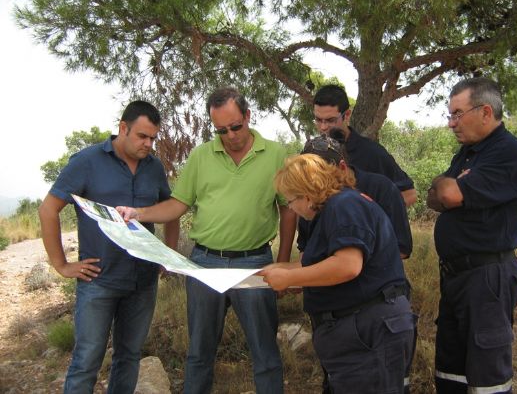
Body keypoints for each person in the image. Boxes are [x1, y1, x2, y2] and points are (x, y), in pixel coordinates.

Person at [116, 87, 296, 394]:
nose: (230, 135)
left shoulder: (276, 154)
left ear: (248, 116)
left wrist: (283, 262)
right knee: (199, 353)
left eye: (236, 126)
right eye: (221, 130)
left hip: (254, 264)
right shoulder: (201, 155)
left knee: (265, 353)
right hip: (204, 264)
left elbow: (288, 208)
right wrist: (140, 213)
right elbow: (177, 204)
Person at [38, 101, 180, 394]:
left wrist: (169, 253)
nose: (148, 144)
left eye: (153, 138)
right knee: (87, 361)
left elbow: (170, 208)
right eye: (142, 136)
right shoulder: (86, 161)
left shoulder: (154, 167)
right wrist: (61, 265)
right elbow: (48, 210)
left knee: (128, 357)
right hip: (98, 279)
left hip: (143, 280)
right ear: (123, 128)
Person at [260, 154, 416, 394]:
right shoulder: (333, 210)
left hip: (369, 329)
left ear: (307, 194)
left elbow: (347, 265)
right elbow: (322, 264)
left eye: (291, 200)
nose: (291, 207)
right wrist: (281, 269)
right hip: (353, 329)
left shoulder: (344, 205)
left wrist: (289, 278)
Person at [427, 77, 517, 393]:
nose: (451, 124)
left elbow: (448, 196)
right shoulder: (469, 153)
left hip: (487, 279)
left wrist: (447, 186)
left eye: (457, 114)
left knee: (488, 377)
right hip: (457, 277)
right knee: (451, 371)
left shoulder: (509, 152)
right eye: (450, 115)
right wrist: (445, 184)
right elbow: (435, 196)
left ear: (485, 111)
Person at [298, 130, 412, 259]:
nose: (314, 186)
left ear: (342, 167)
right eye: (307, 179)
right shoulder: (309, 196)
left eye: (320, 177)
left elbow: (402, 249)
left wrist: (341, 264)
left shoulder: (382, 188)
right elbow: (305, 252)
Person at [312, 84, 417, 207]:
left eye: (330, 120)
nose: (323, 127)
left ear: (347, 115)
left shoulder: (372, 153)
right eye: (318, 120)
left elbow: (409, 194)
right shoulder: (312, 154)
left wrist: (370, 216)